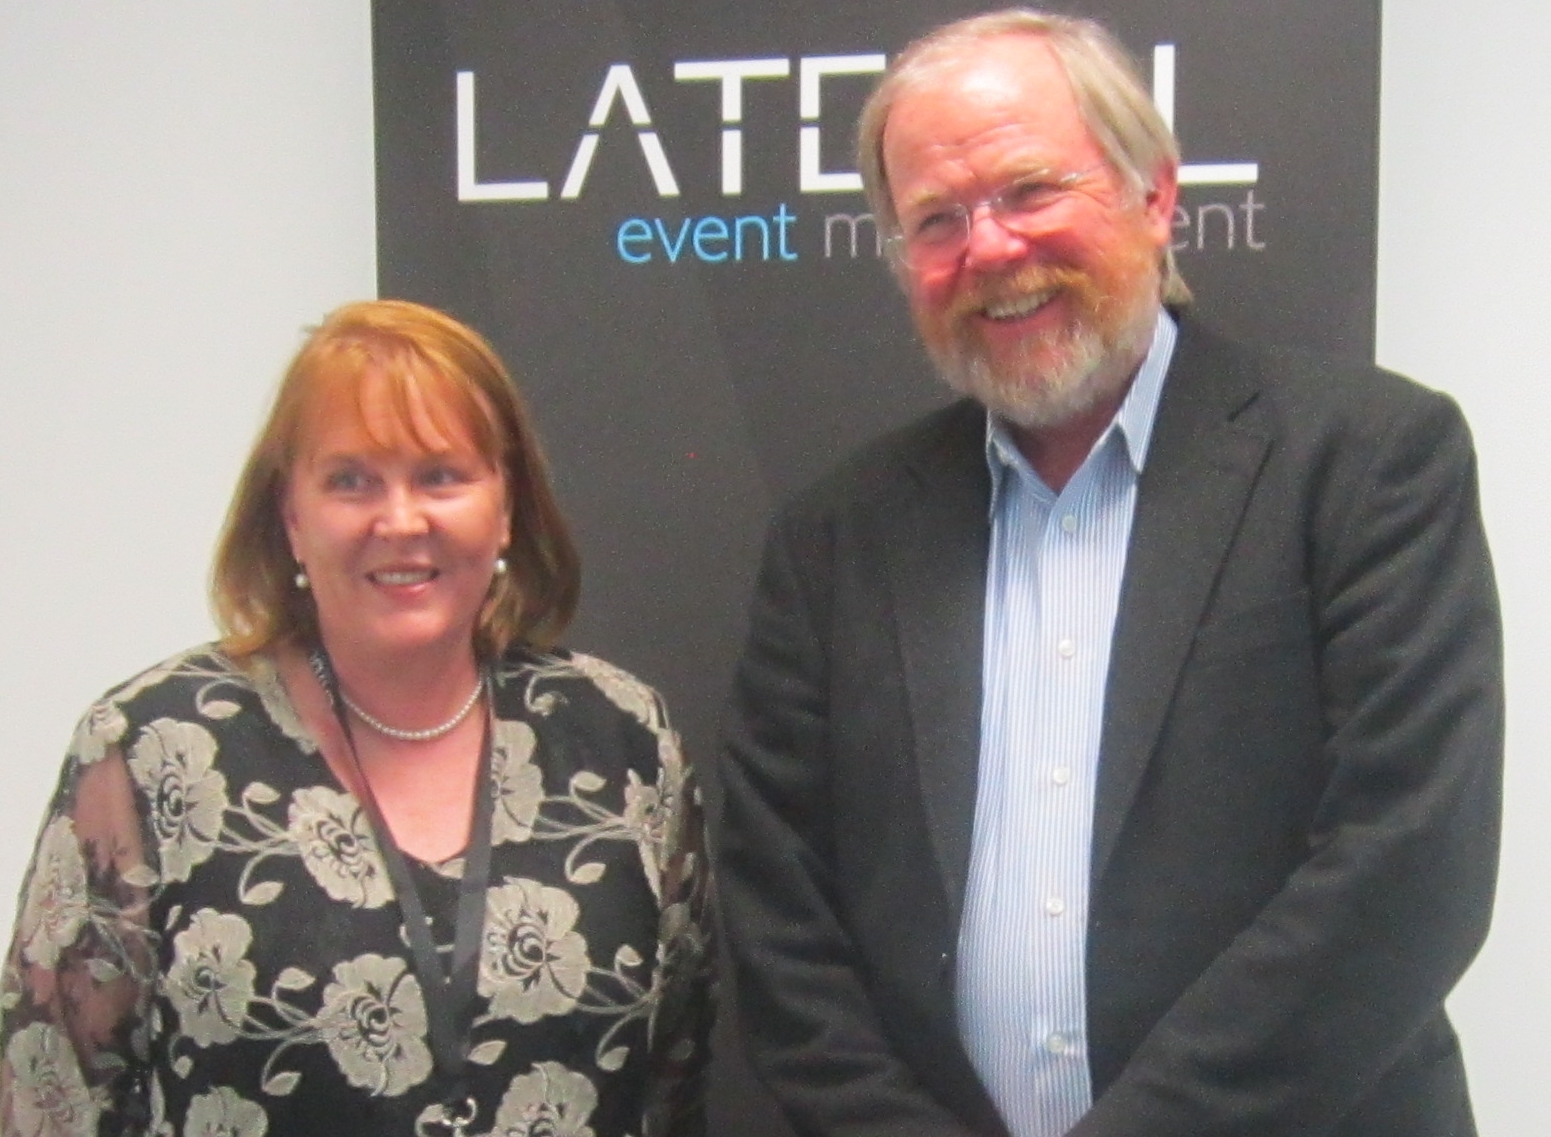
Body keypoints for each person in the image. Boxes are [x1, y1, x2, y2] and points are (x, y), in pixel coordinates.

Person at [715, 10, 1501, 1137]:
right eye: (937, 219)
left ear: (1154, 195)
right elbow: (782, 924)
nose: (989, 248)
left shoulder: (1370, 461)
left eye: (1031, 191)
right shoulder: (835, 537)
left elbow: (1411, 867)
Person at [0, 300, 712, 1137]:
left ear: (507, 506)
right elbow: (48, 1097)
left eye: (441, 475)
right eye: (351, 480)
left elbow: (676, 1083)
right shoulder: (155, 751)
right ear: (291, 517)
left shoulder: (623, 738)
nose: (399, 519)